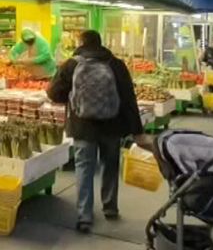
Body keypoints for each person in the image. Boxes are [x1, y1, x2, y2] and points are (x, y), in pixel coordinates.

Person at [47, 30, 143, 232]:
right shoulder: (116, 64)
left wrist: (73, 98)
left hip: (83, 126)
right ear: (101, 43)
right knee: (110, 165)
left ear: (81, 42)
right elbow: (128, 97)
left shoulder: (72, 65)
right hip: (112, 125)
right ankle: (110, 208)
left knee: (84, 168)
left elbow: (54, 93)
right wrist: (136, 129)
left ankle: (84, 216)